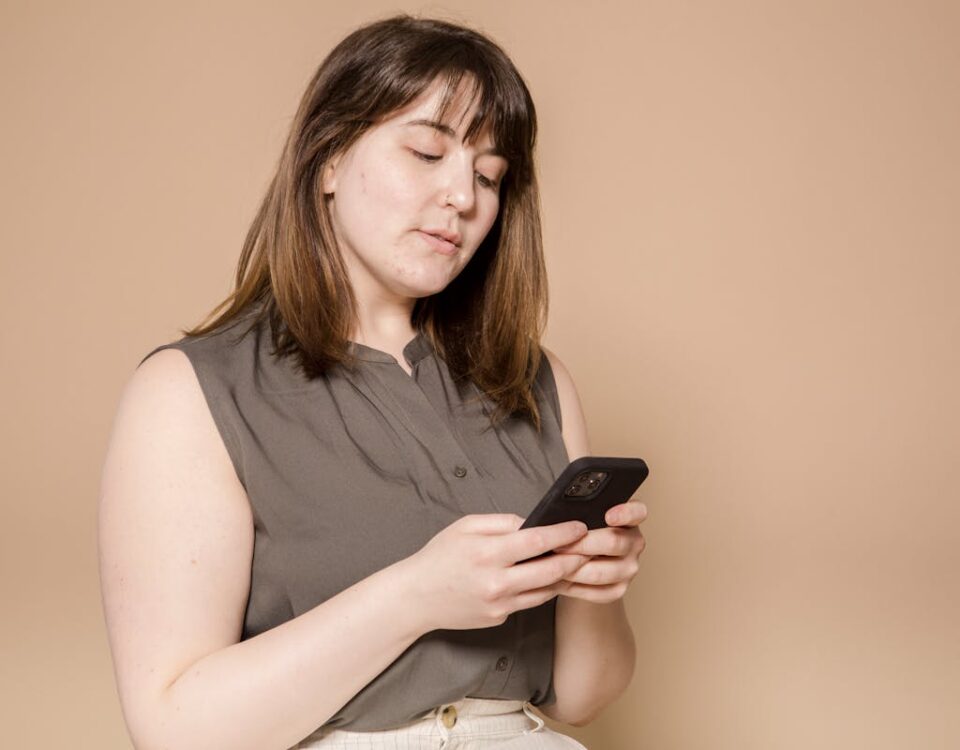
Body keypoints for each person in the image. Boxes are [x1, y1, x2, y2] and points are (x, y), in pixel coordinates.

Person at [98, 13, 647, 750]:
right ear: (327, 160)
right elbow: (172, 729)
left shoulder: (537, 382)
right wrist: (417, 595)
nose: (463, 196)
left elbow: (581, 696)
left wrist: (596, 590)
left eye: (489, 175)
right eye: (427, 152)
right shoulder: (191, 392)